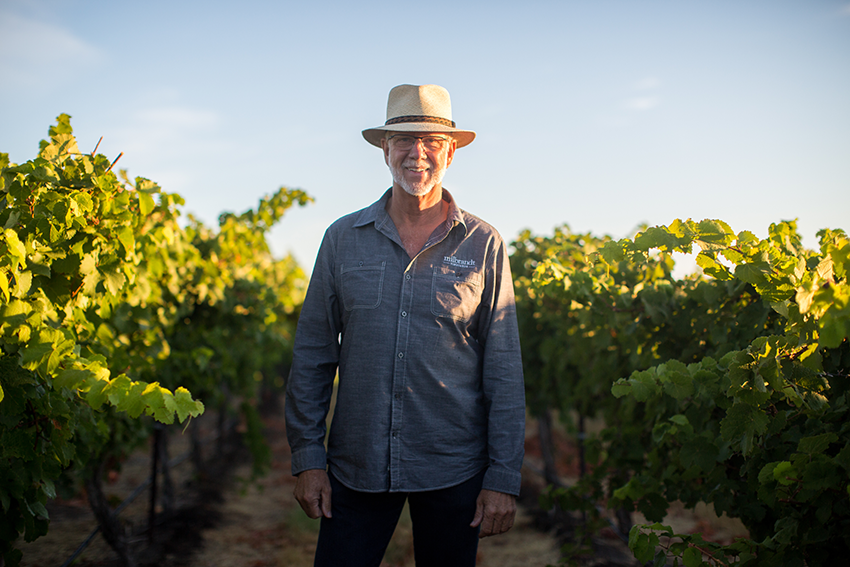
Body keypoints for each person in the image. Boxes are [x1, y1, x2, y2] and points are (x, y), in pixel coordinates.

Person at [285, 84, 525, 567]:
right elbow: (312, 354)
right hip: (357, 466)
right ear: (384, 150)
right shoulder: (341, 239)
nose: (417, 153)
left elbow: (503, 367)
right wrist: (308, 458)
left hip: (454, 465)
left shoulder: (483, 243)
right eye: (404, 140)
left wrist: (503, 476)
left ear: (451, 151)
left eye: (432, 141)